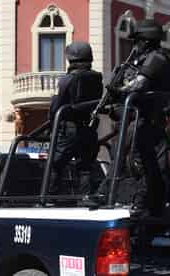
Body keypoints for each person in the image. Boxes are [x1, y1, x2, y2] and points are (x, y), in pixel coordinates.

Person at [105, 19, 170, 216]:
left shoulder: (157, 58)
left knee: (138, 158)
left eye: (137, 41)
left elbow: (138, 85)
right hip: (135, 118)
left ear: (146, 41)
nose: (134, 45)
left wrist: (118, 90)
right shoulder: (137, 61)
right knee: (120, 153)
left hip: (148, 119)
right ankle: (112, 191)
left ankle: (143, 198)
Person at [48, 41, 103, 195]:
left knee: (55, 165)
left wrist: (53, 120)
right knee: (85, 167)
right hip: (89, 128)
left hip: (69, 130)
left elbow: (57, 106)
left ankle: (49, 198)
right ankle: (85, 198)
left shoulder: (68, 79)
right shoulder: (97, 78)